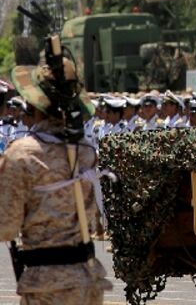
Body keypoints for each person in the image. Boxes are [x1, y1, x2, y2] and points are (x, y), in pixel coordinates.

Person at [0, 39, 113, 304]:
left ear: (33, 106)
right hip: (88, 280)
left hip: (47, 287)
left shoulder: (22, 155)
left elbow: (6, 228)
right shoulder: (85, 152)